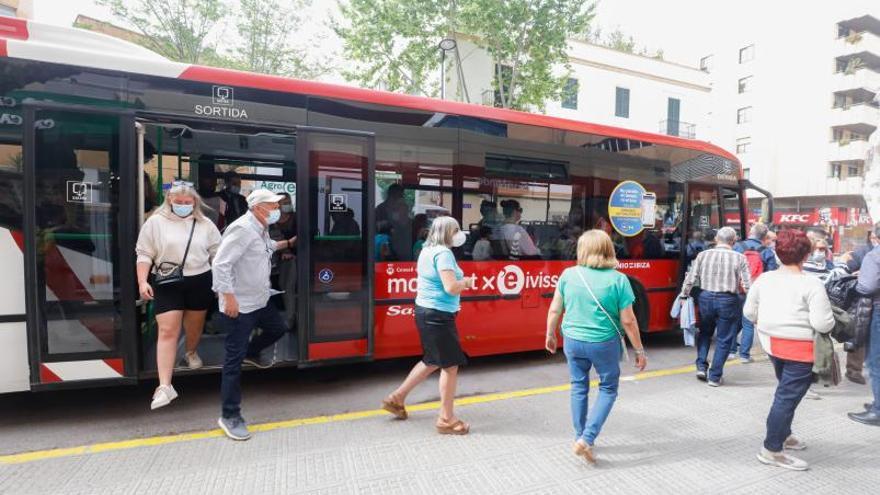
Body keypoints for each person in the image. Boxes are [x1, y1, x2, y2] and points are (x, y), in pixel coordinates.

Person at [545, 229, 647, 464]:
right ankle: (587, 438)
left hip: (572, 340)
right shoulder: (619, 279)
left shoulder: (568, 275)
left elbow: (554, 309)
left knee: (578, 386)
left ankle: (580, 436)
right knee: (608, 388)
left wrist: (550, 334)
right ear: (608, 250)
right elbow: (629, 321)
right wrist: (639, 351)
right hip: (604, 343)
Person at [744, 230, 835, 470]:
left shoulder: (764, 279)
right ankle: (771, 450)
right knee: (786, 399)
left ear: (777, 252)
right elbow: (823, 323)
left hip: (772, 345)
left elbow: (749, 313)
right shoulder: (812, 284)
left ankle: (784, 435)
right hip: (800, 350)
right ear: (806, 255)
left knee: (786, 394)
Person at [212, 189, 298, 440]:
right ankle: (229, 415)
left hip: (260, 299)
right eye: (273, 206)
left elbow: (266, 247)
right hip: (239, 305)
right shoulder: (242, 229)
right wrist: (228, 298)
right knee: (232, 363)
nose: (277, 210)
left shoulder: (259, 228)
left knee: (278, 328)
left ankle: (252, 351)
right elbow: (220, 263)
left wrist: (289, 243)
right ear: (259, 208)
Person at [381, 216, 475, 435]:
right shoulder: (443, 254)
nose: (459, 234)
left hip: (425, 311)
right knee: (450, 367)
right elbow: (451, 287)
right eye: (455, 230)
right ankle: (446, 419)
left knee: (432, 360)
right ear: (446, 233)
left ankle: (396, 398)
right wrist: (467, 283)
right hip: (438, 315)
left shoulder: (426, 250)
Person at [135, 181, 221, 410]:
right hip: (167, 280)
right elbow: (144, 253)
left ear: (195, 202)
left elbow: (217, 255)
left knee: (194, 326)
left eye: (188, 201)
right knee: (168, 330)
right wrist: (142, 281)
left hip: (200, 280)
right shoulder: (155, 222)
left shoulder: (205, 224)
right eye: (179, 202)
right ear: (170, 200)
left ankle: (191, 352)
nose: (183, 205)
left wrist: (222, 283)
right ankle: (164, 386)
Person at [680, 226, 751, 386]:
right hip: (728, 300)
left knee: (705, 332)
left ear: (716, 239)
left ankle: (701, 366)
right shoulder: (740, 257)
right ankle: (714, 376)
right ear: (734, 241)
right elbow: (747, 284)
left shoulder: (703, 255)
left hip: (705, 297)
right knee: (724, 338)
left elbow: (691, 278)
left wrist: (684, 295)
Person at [734, 224, 778, 363]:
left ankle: (730, 350)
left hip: (737, 289)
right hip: (755, 291)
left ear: (750, 232)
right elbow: (771, 275)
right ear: (765, 237)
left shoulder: (737, 247)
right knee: (748, 323)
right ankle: (744, 355)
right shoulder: (767, 252)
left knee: (732, 321)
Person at [849, 222, 880, 426]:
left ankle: (878, 411)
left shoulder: (874, 255)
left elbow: (866, 287)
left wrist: (859, 279)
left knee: (875, 362)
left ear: (875, 237)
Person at [270, 192, 297, 331]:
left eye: (288, 201)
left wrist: (288, 251)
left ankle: (290, 320)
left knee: (288, 288)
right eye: (283, 202)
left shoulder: (297, 217)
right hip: (271, 260)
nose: (286, 205)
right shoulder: (271, 219)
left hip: (291, 259)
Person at [375, 183, 411, 260]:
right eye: (400, 195)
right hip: (386, 246)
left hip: (401, 247)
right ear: (392, 194)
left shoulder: (401, 207)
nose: (401, 197)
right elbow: (376, 227)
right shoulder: (381, 208)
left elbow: (405, 225)